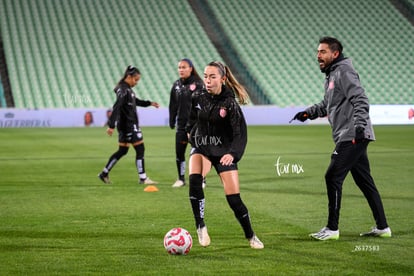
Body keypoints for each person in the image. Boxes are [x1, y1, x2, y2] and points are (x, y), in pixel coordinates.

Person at [292, 37, 391, 240]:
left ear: (335, 54)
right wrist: (307, 113)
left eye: (323, 52)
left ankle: (332, 229)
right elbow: (326, 105)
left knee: (333, 176)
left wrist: (360, 127)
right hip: (348, 134)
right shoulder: (331, 75)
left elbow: (360, 99)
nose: (318, 55)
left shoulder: (344, 71)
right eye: (318, 52)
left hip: (353, 134)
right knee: (365, 181)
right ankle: (383, 227)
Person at [186, 61, 264, 249]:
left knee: (234, 199)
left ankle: (251, 235)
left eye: (212, 77)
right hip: (203, 147)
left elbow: (239, 133)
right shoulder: (197, 96)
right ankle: (200, 225)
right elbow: (191, 119)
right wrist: (190, 133)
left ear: (223, 79)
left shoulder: (229, 103)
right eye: (205, 76)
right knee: (195, 180)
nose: (208, 80)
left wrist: (233, 154)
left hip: (224, 152)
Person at [98, 65, 160, 185]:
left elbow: (135, 101)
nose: (136, 82)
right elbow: (117, 106)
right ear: (129, 76)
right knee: (140, 149)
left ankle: (104, 173)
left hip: (125, 125)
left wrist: (149, 103)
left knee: (122, 150)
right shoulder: (124, 89)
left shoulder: (126, 89)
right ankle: (143, 178)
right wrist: (111, 125)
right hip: (129, 125)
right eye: (136, 79)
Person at [169, 58, 211, 188]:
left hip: (196, 126)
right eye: (179, 67)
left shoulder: (198, 84)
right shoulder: (176, 85)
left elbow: (205, 104)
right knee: (179, 153)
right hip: (181, 125)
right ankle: (181, 179)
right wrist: (172, 118)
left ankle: (202, 178)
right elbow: (173, 104)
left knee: (199, 152)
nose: (181, 70)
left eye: (184, 67)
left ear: (191, 68)